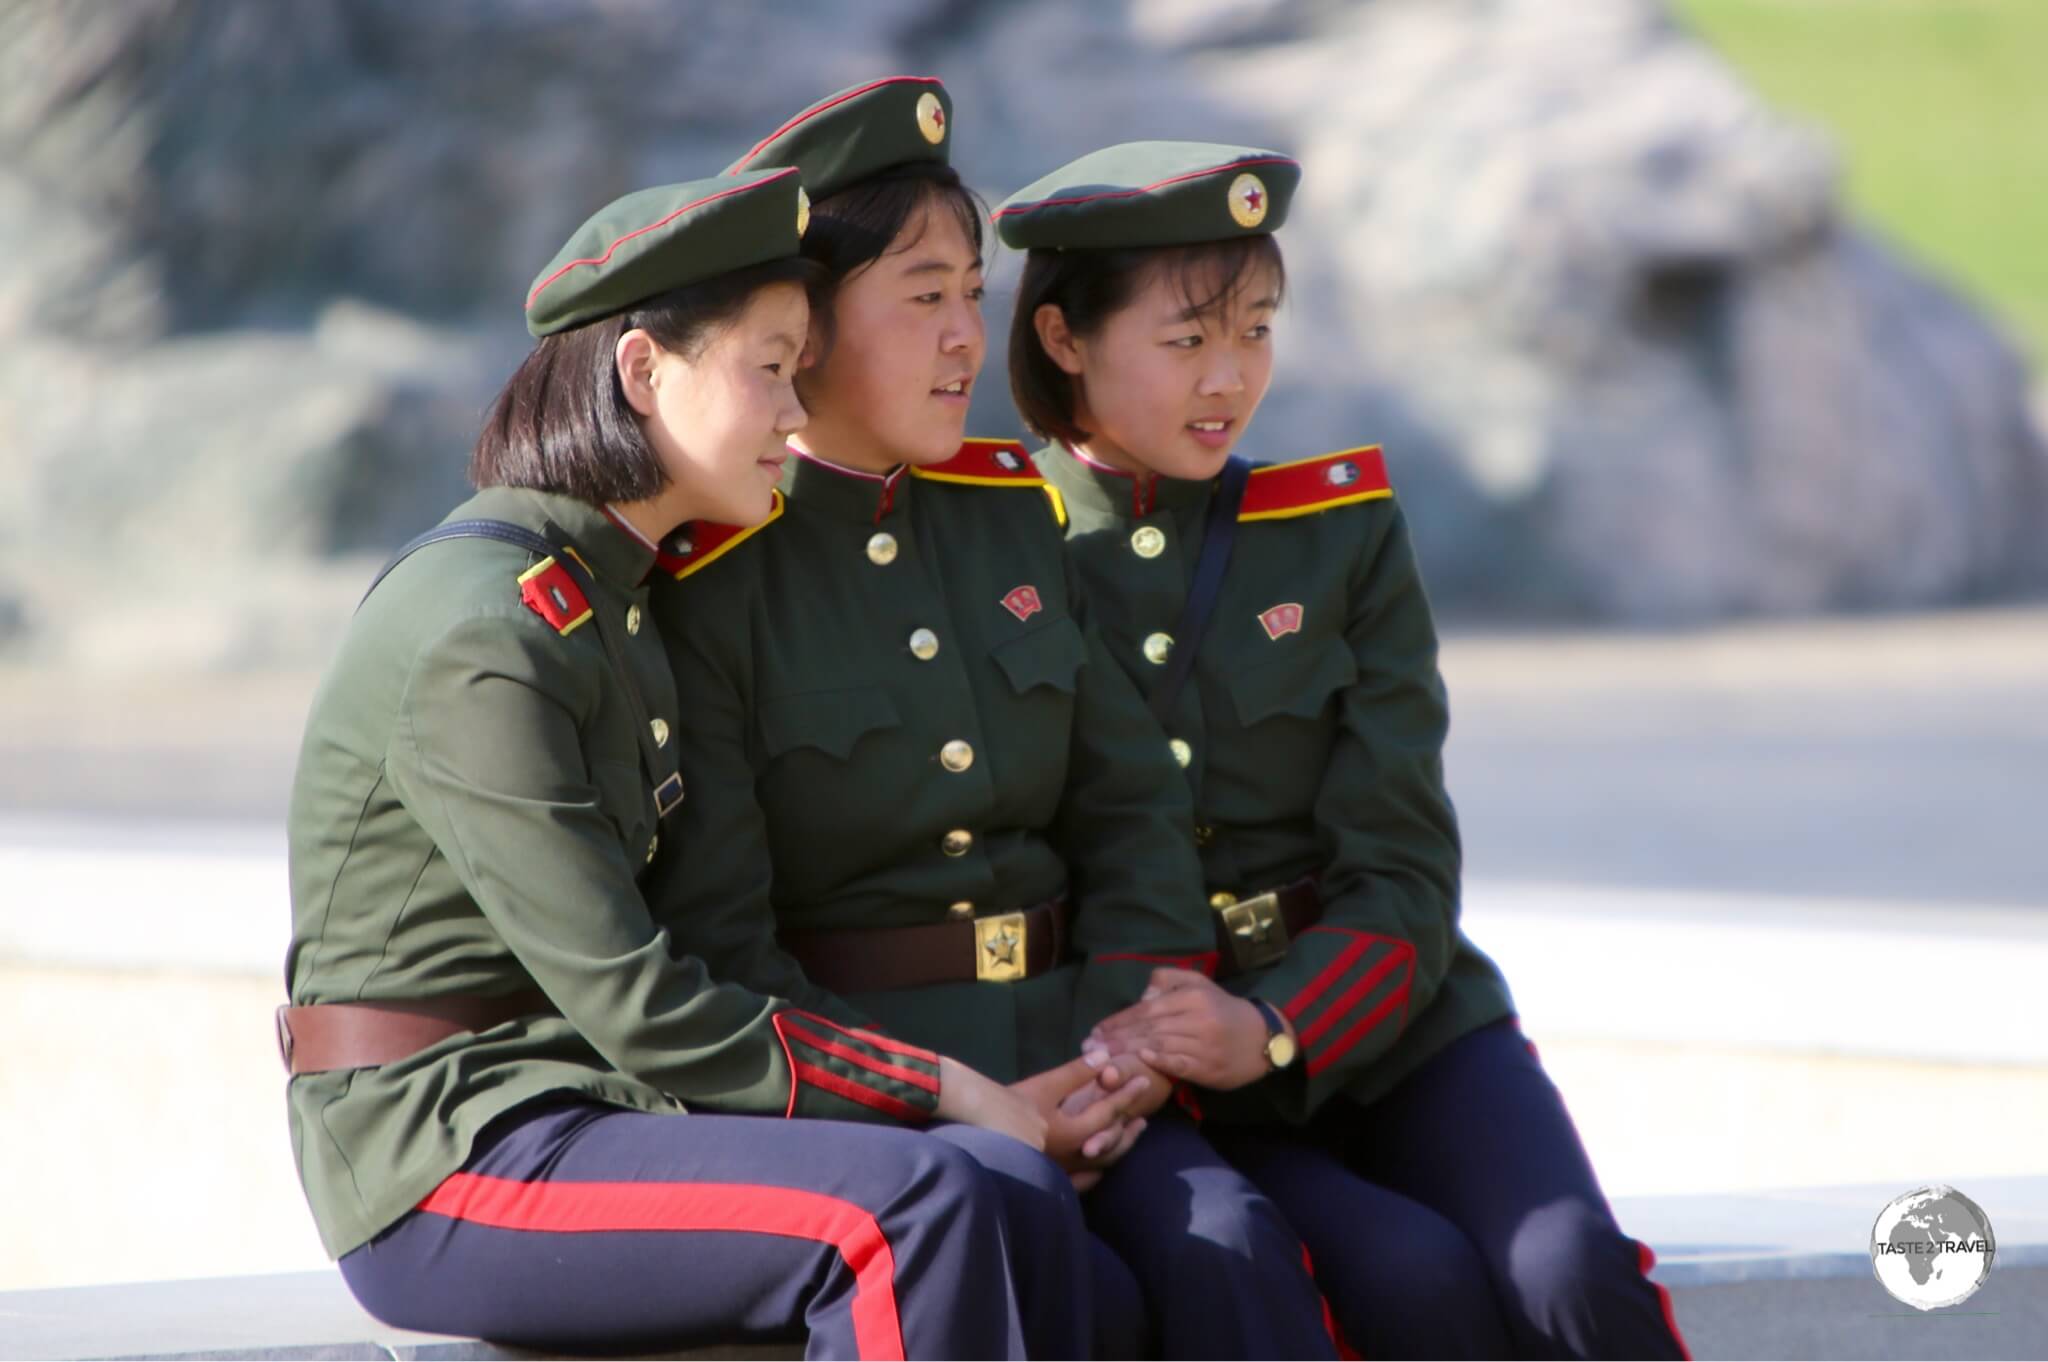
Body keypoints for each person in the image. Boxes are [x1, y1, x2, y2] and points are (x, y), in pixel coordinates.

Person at [281, 167, 1127, 1360]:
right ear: (640, 372)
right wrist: (942, 1085)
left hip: (584, 1108)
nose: (794, 410)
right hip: (447, 1148)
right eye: (768, 366)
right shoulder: (488, 629)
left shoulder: (610, 599)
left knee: (1009, 1197)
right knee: (911, 1211)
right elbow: (638, 996)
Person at [652, 80, 1341, 1359]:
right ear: (801, 327)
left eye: (971, 292)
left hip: (1085, 1054)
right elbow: (722, 940)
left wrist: (1131, 1040)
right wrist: (958, 1106)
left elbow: (1128, 806)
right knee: (1038, 1248)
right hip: (891, 1102)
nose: (967, 338)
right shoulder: (714, 573)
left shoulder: (1001, 510)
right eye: (923, 298)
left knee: (1236, 1250)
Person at [998, 140, 1695, 1360]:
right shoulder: (996, 556)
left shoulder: (1335, 536)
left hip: (1393, 1014)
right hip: (1177, 1067)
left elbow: (1403, 862)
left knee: (1567, 1268)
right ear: (1063, 340)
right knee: (1409, 1277)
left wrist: (1275, 1026)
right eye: (1185, 341)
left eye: (1256, 330)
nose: (1230, 379)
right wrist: (1184, 1046)